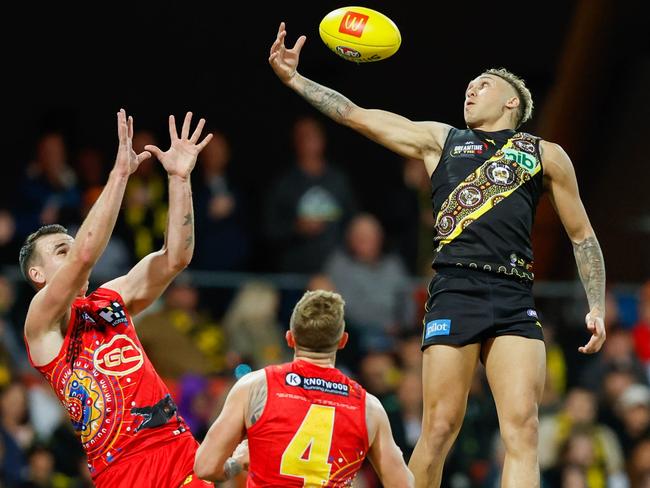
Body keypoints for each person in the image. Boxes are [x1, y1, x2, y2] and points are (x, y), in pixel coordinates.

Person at [268, 22, 607, 488]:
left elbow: (583, 236)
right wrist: (296, 80)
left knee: (523, 430)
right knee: (439, 429)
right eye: (469, 85)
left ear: (512, 102)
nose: (471, 89)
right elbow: (355, 114)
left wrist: (596, 305)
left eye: (483, 84)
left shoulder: (544, 154)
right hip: (454, 290)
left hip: (514, 295)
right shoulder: (440, 140)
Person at [19, 109, 213, 487]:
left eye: (72, 247)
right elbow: (86, 255)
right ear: (37, 275)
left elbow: (176, 257)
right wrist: (120, 174)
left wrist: (179, 178)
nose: (74, 254)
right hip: (123, 468)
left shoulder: (110, 297)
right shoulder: (40, 321)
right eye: (62, 250)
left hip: (177, 446)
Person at [194, 290, 414, 487]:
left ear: (290, 338)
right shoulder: (368, 407)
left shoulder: (255, 386)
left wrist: (237, 463)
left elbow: (205, 467)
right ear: (342, 341)